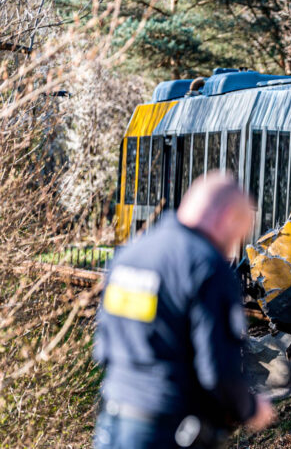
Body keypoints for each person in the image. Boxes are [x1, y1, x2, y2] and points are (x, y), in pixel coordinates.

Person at [93, 172, 275, 449]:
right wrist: (250, 408)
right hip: (167, 431)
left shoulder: (131, 254)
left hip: (112, 424)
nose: (232, 245)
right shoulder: (206, 266)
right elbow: (217, 371)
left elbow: (103, 347)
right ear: (226, 216)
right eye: (239, 233)